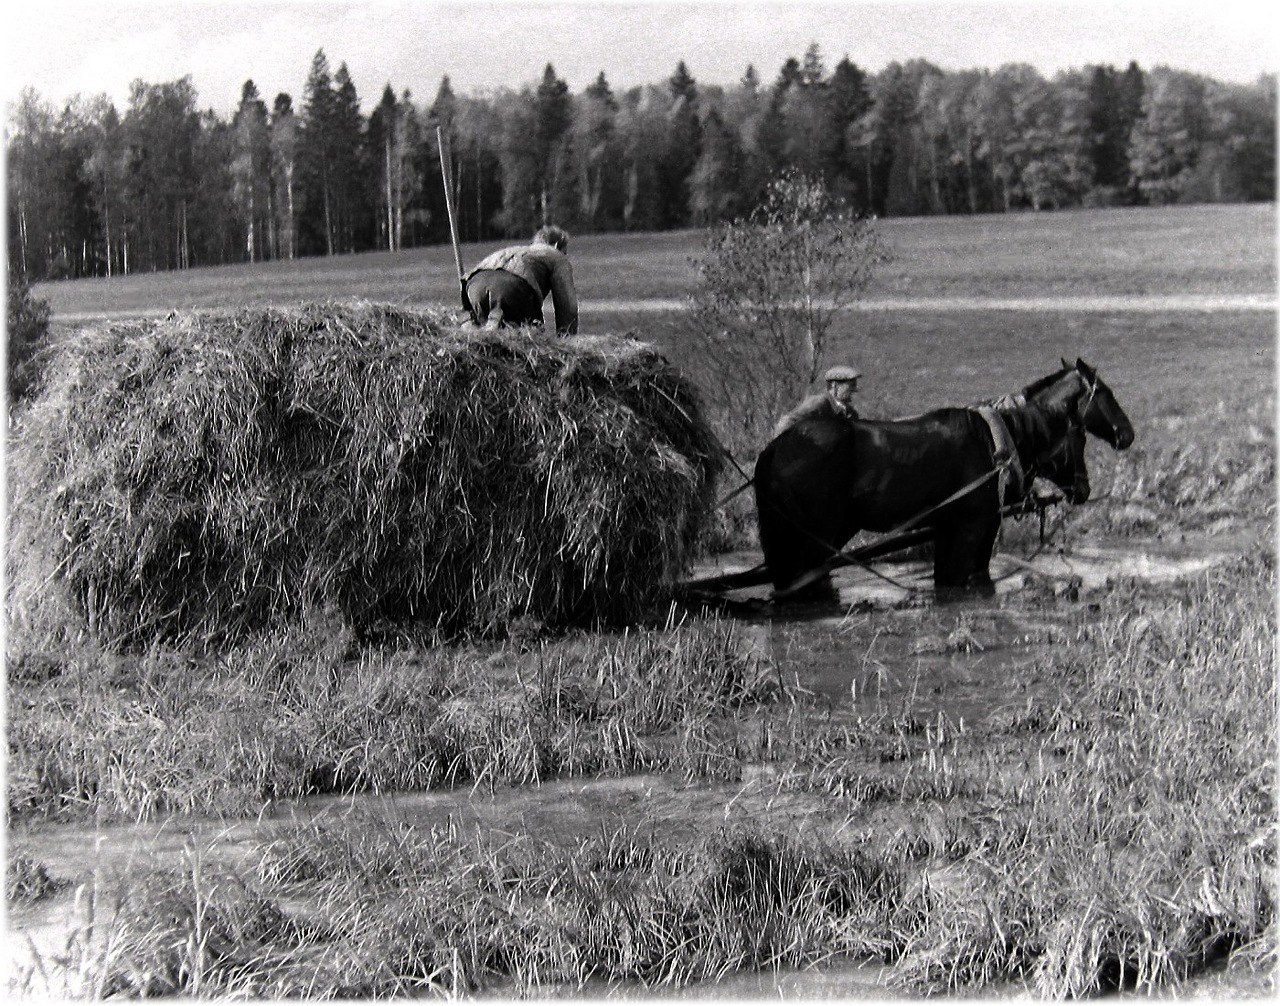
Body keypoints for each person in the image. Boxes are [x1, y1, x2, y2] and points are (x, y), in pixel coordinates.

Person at [463, 225, 579, 335]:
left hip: (474, 285)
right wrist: (567, 341)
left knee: (489, 337)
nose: (565, 255)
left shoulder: (518, 250)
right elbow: (567, 306)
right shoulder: (556, 255)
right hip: (513, 288)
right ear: (557, 245)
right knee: (534, 333)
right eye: (565, 252)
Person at [772, 364, 862, 438]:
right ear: (835, 386)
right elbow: (787, 421)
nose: (855, 390)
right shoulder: (819, 403)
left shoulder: (851, 414)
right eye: (851, 385)